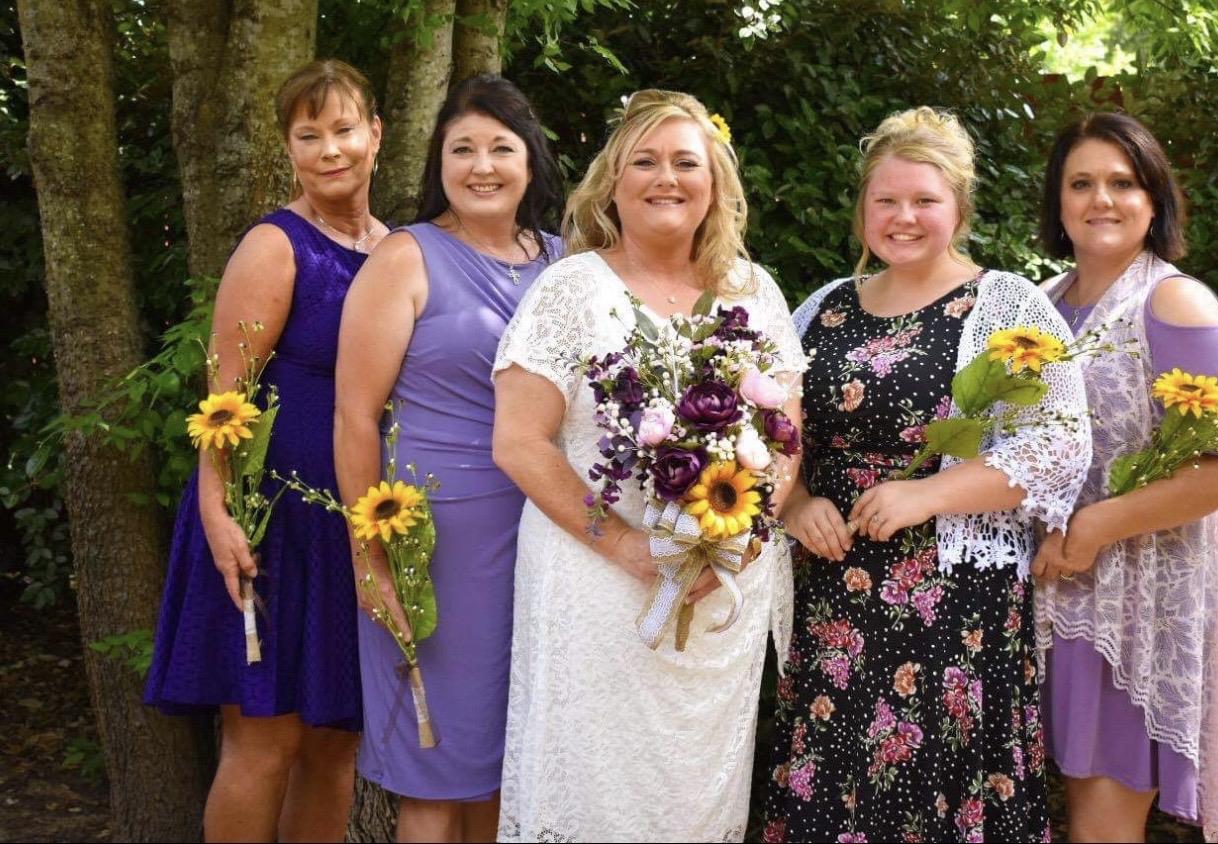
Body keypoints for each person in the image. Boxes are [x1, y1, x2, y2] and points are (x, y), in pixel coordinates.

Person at [762, 106, 1090, 843]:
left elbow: (1061, 443)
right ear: (862, 209)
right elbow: (772, 437)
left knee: (934, 787)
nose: (903, 217)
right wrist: (797, 503)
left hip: (953, 605)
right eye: (886, 199)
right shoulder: (819, 310)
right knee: (837, 784)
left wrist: (929, 494)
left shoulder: (1006, 304)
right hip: (832, 594)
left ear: (960, 210)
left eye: (924, 200)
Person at [490, 89, 807, 841]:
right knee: (591, 779)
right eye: (646, 162)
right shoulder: (571, 288)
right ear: (613, 182)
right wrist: (629, 546)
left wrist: (736, 542)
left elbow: (786, 436)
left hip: (718, 585)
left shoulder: (754, 291)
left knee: (695, 793)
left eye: (686, 163)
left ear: (715, 184)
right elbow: (520, 441)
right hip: (595, 579)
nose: (667, 178)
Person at [144, 59, 384, 841]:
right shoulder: (277, 246)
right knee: (264, 740)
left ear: (376, 133)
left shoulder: (398, 252)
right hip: (266, 527)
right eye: (308, 136)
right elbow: (222, 402)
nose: (329, 150)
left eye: (343, 129)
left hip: (349, 529)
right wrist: (218, 517)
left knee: (335, 745)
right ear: (289, 149)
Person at [1032, 112, 1218, 844]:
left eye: (1123, 183)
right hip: (1044, 594)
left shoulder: (1174, 302)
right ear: (1058, 201)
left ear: (1154, 200)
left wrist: (1095, 525)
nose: (1101, 200)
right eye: (1082, 183)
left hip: (1132, 607)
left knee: (1102, 826)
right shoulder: (1041, 304)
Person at [333, 75, 562, 844]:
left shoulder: (565, 264)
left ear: (530, 160)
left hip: (549, 538)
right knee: (435, 772)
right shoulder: (405, 257)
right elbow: (354, 417)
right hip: (435, 549)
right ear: (439, 161)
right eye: (462, 149)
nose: (482, 166)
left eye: (501, 147)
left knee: (514, 769)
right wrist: (370, 561)